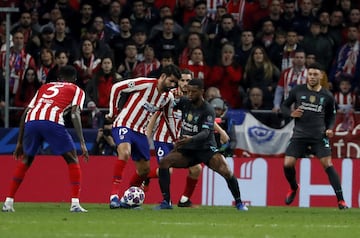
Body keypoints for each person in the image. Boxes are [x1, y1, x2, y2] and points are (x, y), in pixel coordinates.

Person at [2, 65, 89, 212]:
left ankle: (8, 202)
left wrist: (19, 142)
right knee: (72, 159)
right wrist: (82, 142)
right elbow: (75, 113)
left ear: (59, 78)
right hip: (52, 121)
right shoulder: (77, 90)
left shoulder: (45, 87)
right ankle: (75, 204)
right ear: (75, 79)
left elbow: (26, 112)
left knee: (26, 160)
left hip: (31, 120)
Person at [154, 78, 248, 211]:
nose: (190, 94)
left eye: (193, 92)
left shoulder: (208, 109)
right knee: (164, 163)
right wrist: (167, 95)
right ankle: (166, 202)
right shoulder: (185, 102)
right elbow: (168, 104)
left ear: (201, 92)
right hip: (187, 149)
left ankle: (239, 203)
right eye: (188, 91)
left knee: (226, 171)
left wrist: (190, 139)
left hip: (205, 149)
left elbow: (205, 132)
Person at [106, 64, 181, 209]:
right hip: (124, 123)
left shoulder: (167, 97)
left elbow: (169, 117)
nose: (172, 85)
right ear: (163, 76)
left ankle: (127, 200)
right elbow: (117, 87)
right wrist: (113, 112)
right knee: (125, 152)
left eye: (175, 83)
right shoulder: (145, 84)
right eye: (171, 81)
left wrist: (176, 139)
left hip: (141, 132)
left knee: (144, 170)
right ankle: (113, 196)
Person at [280, 62, 348, 210]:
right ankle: (293, 187)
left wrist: (330, 129)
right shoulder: (297, 91)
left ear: (321, 76)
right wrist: (291, 113)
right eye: (310, 74)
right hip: (299, 136)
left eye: (315, 74)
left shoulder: (327, 96)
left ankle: (341, 201)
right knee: (287, 164)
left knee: (328, 165)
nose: (312, 77)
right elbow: (283, 106)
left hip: (319, 137)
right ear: (307, 75)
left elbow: (331, 116)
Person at [145, 69, 202, 207]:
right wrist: (147, 134)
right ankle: (164, 198)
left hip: (182, 141)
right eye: (182, 80)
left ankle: (184, 200)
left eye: (188, 81)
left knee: (196, 169)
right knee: (167, 169)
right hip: (163, 139)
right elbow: (156, 114)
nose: (184, 83)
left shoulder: (194, 99)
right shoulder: (168, 95)